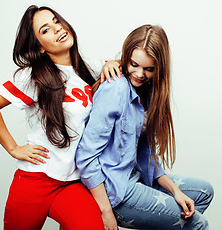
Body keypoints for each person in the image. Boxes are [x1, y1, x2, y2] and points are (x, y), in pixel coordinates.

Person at [0, 5, 120, 230]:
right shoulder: (33, 77)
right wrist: (13, 148)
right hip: (35, 181)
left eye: (56, 21)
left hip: (71, 182)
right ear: (40, 47)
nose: (57, 28)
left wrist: (113, 63)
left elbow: (119, 67)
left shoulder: (88, 68)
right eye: (45, 30)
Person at [76, 24, 214, 230]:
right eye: (134, 64)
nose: (140, 74)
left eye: (149, 69)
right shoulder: (115, 89)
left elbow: (144, 152)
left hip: (136, 175)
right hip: (115, 189)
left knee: (203, 192)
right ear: (126, 57)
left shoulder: (149, 92)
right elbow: (85, 155)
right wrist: (105, 211)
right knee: (198, 225)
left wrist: (175, 190)